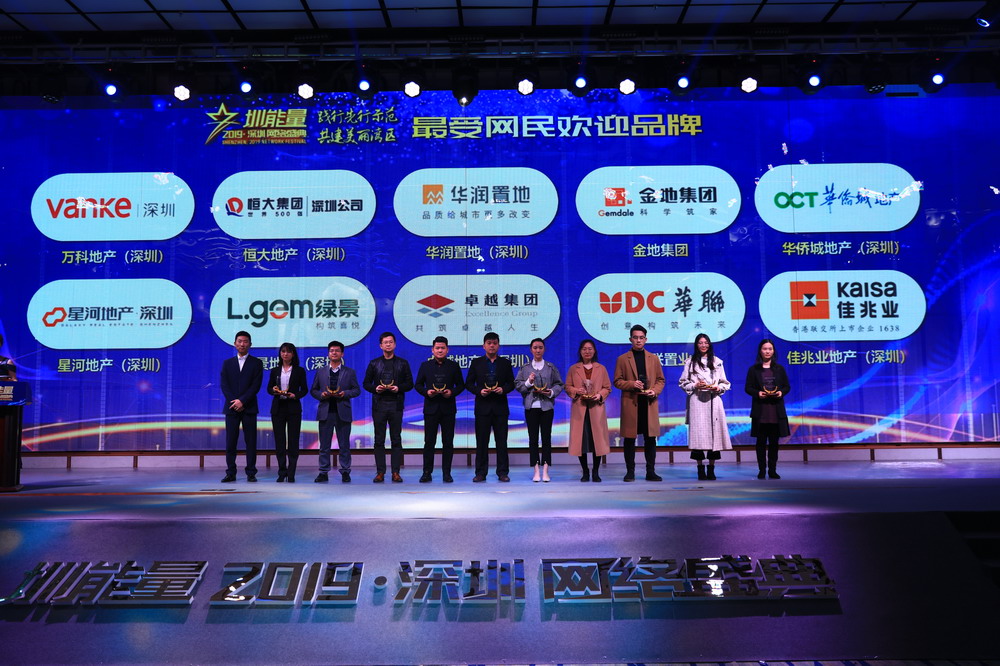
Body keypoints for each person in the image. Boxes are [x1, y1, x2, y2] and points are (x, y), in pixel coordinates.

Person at [613, 325, 665, 482]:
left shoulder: (653, 358)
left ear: (646, 339)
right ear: (630, 339)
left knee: (650, 439)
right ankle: (630, 472)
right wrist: (631, 384)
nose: (638, 340)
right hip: (631, 402)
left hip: (648, 403)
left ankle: (651, 471)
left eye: (641, 337)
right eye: (635, 337)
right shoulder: (623, 359)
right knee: (629, 439)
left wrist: (654, 391)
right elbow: (617, 381)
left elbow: (660, 380)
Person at [679, 333, 732, 480]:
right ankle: (700, 469)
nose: (703, 345)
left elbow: (725, 383)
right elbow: (683, 382)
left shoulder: (717, 362)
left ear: (709, 344)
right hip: (697, 401)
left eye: (706, 342)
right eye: (700, 343)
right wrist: (695, 385)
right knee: (698, 438)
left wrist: (717, 387)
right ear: (696, 345)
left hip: (713, 401)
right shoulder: (690, 362)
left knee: (714, 437)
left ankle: (711, 469)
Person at [362, 332, 413, 483]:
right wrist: (375, 388)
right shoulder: (374, 363)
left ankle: (396, 472)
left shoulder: (403, 363)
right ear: (381, 345)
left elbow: (410, 383)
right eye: (385, 342)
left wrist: (399, 388)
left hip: (396, 405)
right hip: (379, 406)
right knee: (379, 440)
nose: (388, 344)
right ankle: (380, 472)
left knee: (396, 439)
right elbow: (366, 383)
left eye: (391, 342)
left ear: (395, 344)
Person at [465, 332, 516, 482]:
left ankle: (503, 472)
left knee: (502, 442)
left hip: (500, 408)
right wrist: (479, 391)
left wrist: (503, 389)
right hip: (483, 407)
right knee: (481, 442)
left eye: (494, 343)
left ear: (498, 345)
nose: (492, 346)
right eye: (489, 343)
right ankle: (481, 472)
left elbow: (511, 383)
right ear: (484, 346)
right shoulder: (476, 363)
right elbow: (468, 383)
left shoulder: (505, 363)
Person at [413, 336, 465, 483]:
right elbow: (418, 385)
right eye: (437, 348)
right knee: (429, 442)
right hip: (431, 408)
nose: (440, 350)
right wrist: (427, 392)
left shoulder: (454, 366)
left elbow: (461, 385)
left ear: (447, 350)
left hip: (448, 409)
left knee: (448, 442)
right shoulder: (425, 366)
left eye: (442, 348)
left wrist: (451, 392)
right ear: (432, 350)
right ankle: (426, 473)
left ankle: (447, 473)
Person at [514, 338, 564, 482]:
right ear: (531, 350)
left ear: (544, 349)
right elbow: (518, 386)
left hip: (547, 407)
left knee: (546, 438)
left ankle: (546, 469)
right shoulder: (525, 368)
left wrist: (551, 392)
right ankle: (536, 469)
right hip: (531, 407)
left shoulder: (550, 367)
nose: (538, 350)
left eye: (540, 347)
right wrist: (529, 382)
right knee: (533, 439)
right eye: (535, 348)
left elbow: (559, 384)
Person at [311, 340, 361, 483]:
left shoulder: (349, 372)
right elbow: (313, 390)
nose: (334, 353)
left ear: (342, 354)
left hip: (343, 412)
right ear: (328, 354)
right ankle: (323, 472)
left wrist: (345, 393)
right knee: (324, 445)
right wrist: (321, 395)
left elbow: (356, 390)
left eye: (337, 351)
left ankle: (345, 471)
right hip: (325, 412)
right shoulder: (321, 371)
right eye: (331, 351)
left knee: (344, 445)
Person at [564, 339, 611, 482]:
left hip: (596, 409)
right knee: (581, 442)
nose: (587, 351)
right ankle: (585, 471)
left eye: (590, 349)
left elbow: (607, 387)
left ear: (594, 351)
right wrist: (576, 391)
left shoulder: (601, 368)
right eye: (584, 349)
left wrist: (599, 395)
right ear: (580, 351)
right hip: (580, 409)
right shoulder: (574, 369)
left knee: (598, 442)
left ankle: (596, 472)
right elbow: (567, 387)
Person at [744, 338, 791, 479]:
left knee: (774, 443)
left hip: (776, 411)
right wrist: (758, 393)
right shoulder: (753, 369)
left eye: (770, 349)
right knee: (760, 443)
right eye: (765, 349)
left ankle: (772, 470)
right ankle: (761, 470)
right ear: (760, 351)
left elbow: (787, 386)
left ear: (773, 351)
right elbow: (748, 388)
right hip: (761, 411)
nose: (767, 351)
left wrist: (781, 392)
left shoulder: (779, 369)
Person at [220, 330, 264, 483]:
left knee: (250, 442)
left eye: (245, 341)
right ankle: (230, 472)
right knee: (230, 442)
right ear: (235, 344)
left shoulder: (256, 363)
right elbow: (224, 385)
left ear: (250, 344)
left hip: (249, 407)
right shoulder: (227, 363)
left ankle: (251, 472)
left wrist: (242, 401)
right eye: (239, 341)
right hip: (231, 407)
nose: (242, 344)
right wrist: (235, 402)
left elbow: (255, 386)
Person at [266, 342, 309, 483]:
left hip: (293, 408)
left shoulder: (299, 370)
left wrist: (295, 395)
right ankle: (281, 472)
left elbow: (305, 389)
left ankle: (291, 473)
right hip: (278, 408)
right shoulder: (275, 370)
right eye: (283, 351)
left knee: (293, 441)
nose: (285, 354)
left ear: (293, 354)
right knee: (279, 441)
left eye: (288, 351)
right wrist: (274, 390)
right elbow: (269, 388)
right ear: (280, 354)